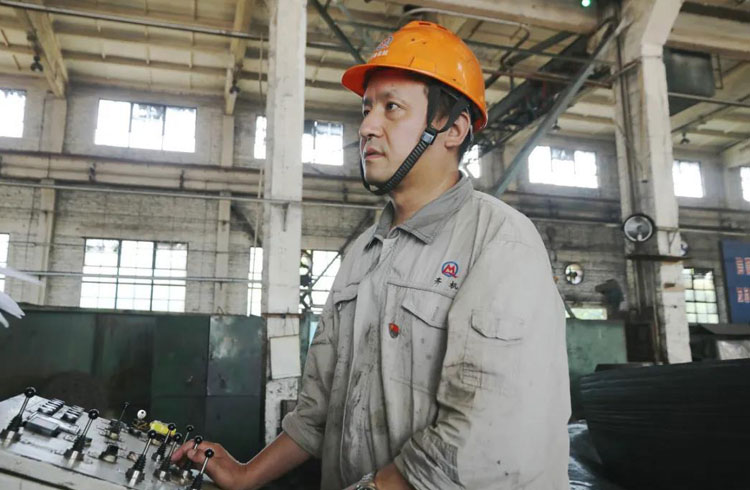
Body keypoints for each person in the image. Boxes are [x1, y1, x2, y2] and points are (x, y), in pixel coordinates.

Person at [172, 20, 571, 490]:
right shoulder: (362, 255)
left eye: (391, 108)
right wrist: (245, 475)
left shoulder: (500, 242)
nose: (366, 127)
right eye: (366, 109)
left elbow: (486, 438)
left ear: (453, 129)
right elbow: (318, 411)